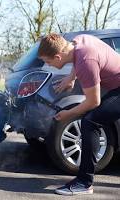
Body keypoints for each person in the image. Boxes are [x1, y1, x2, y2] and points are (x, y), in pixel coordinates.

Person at [38, 33, 120, 195]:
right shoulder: (79, 40)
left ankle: (84, 182)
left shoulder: (85, 61)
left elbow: (93, 102)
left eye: (49, 62)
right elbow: (79, 57)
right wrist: (71, 77)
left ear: (58, 56)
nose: (50, 66)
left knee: (91, 121)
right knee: (91, 119)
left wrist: (68, 113)